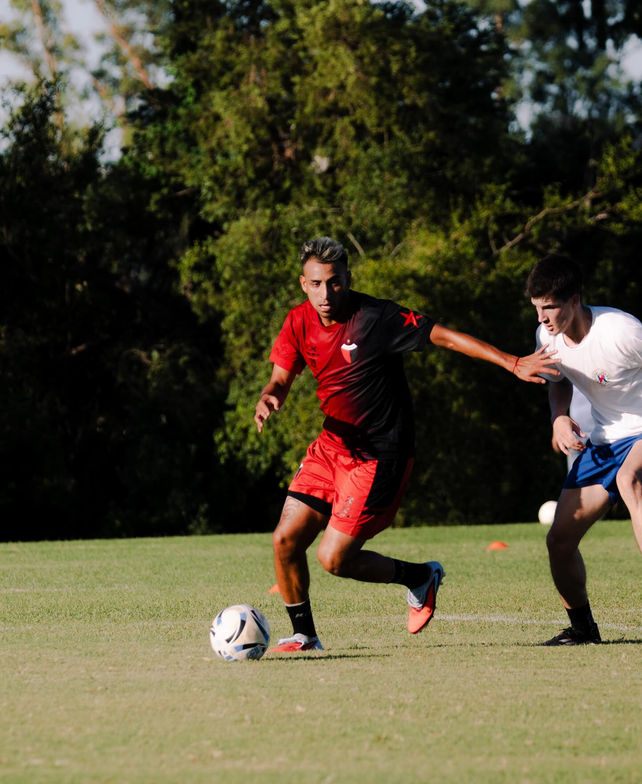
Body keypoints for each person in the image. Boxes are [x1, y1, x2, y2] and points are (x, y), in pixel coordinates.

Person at [255, 237, 558, 652]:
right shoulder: (297, 320)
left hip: (380, 456)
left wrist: (512, 361)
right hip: (332, 446)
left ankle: (419, 576)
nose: (327, 293)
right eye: (317, 283)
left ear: (348, 278)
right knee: (284, 540)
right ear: (303, 284)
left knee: (334, 560)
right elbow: (281, 377)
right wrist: (271, 395)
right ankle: (304, 635)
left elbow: (445, 337)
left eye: (336, 282)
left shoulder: (376, 317)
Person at [528, 254, 642, 646]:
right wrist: (559, 417)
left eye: (550, 307)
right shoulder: (547, 336)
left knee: (632, 483)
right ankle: (582, 629)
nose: (542, 318)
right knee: (559, 541)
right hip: (604, 443)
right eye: (536, 308)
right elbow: (558, 380)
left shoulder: (623, 331)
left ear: (575, 301)